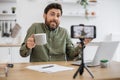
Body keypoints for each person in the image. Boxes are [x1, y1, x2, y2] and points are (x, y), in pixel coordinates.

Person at [20, 3, 92, 62]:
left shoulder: (64, 32)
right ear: (44, 15)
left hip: (59, 69)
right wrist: (27, 46)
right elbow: (22, 53)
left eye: (58, 16)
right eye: (52, 14)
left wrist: (81, 45)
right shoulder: (35, 27)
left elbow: (71, 55)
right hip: (38, 69)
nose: (55, 18)